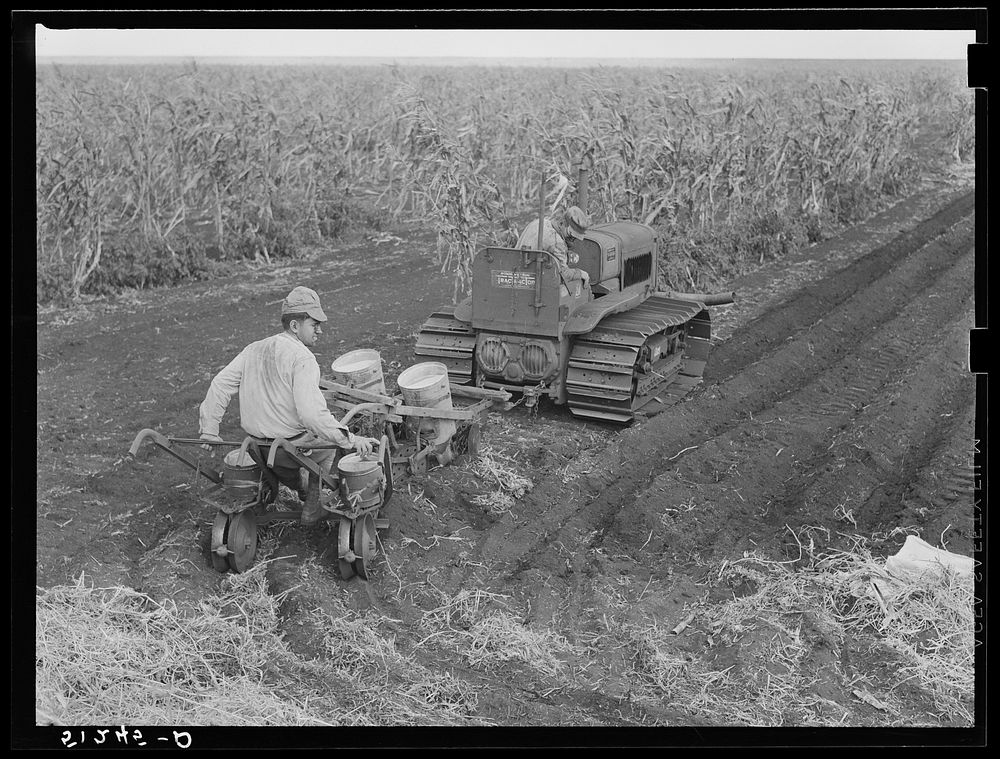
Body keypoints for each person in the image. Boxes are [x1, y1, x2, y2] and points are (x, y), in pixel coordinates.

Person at [198, 285, 379, 525]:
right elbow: (311, 415)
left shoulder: (253, 349)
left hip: (257, 445)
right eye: (314, 325)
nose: (320, 331)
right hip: (289, 448)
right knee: (328, 447)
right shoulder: (303, 359)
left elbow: (220, 384)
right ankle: (312, 503)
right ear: (295, 325)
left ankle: (282, 489)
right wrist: (351, 440)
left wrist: (209, 431)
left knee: (311, 443)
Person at [515, 205, 591, 293]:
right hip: (533, 285)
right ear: (562, 223)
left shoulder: (540, 222)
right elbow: (565, 274)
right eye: (571, 236)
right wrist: (580, 273)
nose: (572, 240)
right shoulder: (556, 242)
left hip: (516, 273)